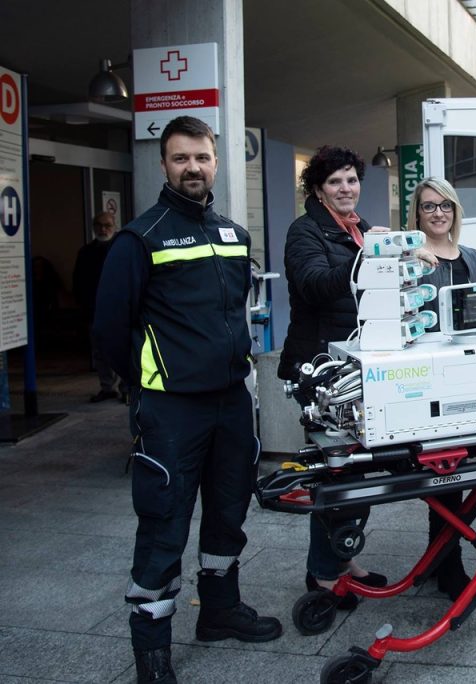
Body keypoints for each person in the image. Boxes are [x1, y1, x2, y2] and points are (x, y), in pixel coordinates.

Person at [93, 116, 282, 684]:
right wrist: (150, 384)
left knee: (229, 510)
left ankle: (219, 612)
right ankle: (152, 651)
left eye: (201, 157)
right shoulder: (139, 238)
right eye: (181, 158)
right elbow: (108, 330)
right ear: (165, 164)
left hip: (230, 403)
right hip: (171, 409)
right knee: (164, 523)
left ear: (216, 161)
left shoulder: (231, 233)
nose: (193, 168)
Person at [278, 145, 391, 608]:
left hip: (357, 370)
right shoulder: (305, 231)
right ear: (318, 188)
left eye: (351, 180)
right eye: (335, 182)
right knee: (335, 475)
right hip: (322, 375)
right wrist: (371, 258)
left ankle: (344, 561)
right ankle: (323, 577)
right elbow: (314, 284)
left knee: (357, 474)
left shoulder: (360, 228)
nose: (346, 189)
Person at [406, 176, 476, 600]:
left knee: (461, 472)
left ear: (455, 212)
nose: (438, 213)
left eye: (446, 206)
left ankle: (441, 557)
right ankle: (447, 563)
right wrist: (409, 263)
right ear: (417, 214)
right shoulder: (410, 258)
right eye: (429, 206)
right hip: (426, 378)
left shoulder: (472, 257)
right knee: (443, 473)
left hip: (467, 375)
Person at [74, 211, 128, 403]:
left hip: (120, 310)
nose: (103, 229)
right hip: (95, 310)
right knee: (99, 352)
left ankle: (126, 387)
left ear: (115, 226)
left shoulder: (123, 249)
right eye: (99, 225)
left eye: (107, 225)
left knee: (123, 349)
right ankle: (107, 387)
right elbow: (79, 282)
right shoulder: (86, 252)